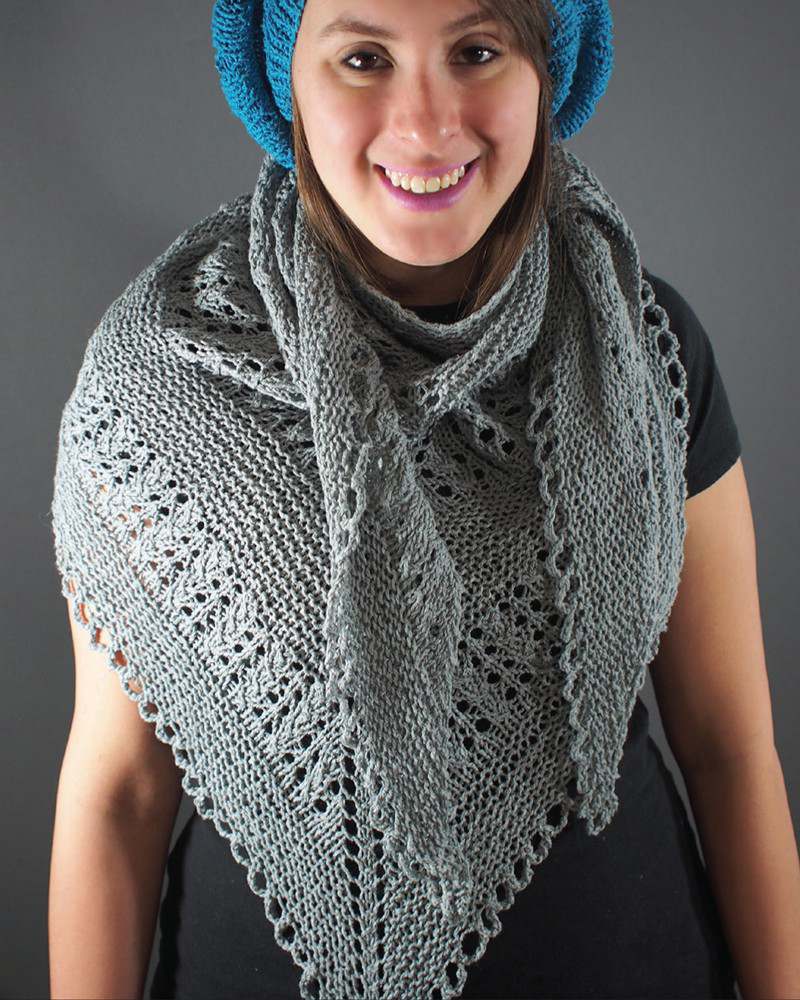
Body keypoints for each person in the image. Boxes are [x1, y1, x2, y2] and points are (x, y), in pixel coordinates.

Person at [48, 2, 800, 999]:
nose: (426, 122)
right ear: (286, 84)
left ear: (548, 72)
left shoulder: (636, 347)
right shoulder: (160, 381)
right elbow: (118, 793)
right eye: (363, 58)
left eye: (477, 51)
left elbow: (727, 745)